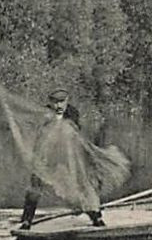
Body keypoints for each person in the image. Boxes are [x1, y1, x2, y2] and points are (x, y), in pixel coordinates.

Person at [21, 87, 103, 229]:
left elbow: (75, 135)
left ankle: (96, 217)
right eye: (55, 102)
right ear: (50, 102)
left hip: (67, 157)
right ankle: (27, 220)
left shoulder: (72, 113)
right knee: (35, 185)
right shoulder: (43, 114)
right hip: (46, 155)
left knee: (82, 183)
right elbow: (36, 135)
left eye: (62, 102)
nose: (58, 106)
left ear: (67, 101)